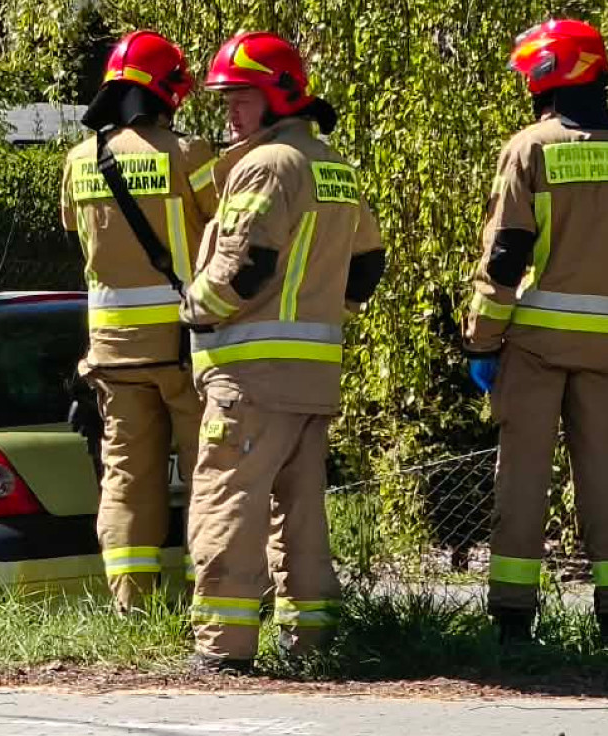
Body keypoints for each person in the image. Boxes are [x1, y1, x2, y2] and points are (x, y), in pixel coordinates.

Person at [462, 19, 608, 643]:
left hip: (532, 343)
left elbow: (506, 256)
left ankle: (511, 622)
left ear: (545, 74)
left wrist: (481, 341)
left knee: (523, 479)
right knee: (606, 482)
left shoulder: (530, 148)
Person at [180, 31, 385, 672]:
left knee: (226, 501)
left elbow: (246, 267)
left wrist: (193, 308)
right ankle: (311, 640)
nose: (230, 113)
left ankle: (223, 646)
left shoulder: (267, 164)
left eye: (241, 99)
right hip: (311, 380)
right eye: (226, 100)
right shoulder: (331, 164)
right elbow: (368, 264)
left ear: (278, 97)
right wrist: (324, 311)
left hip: (251, 378)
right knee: (300, 513)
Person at [60, 30, 219, 611]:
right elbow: (228, 227)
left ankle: (131, 604)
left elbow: (76, 233)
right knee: (209, 473)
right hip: (184, 347)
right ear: (169, 91)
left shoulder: (80, 161)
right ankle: (212, 599)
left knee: (126, 476)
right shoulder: (189, 155)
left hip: (112, 351)